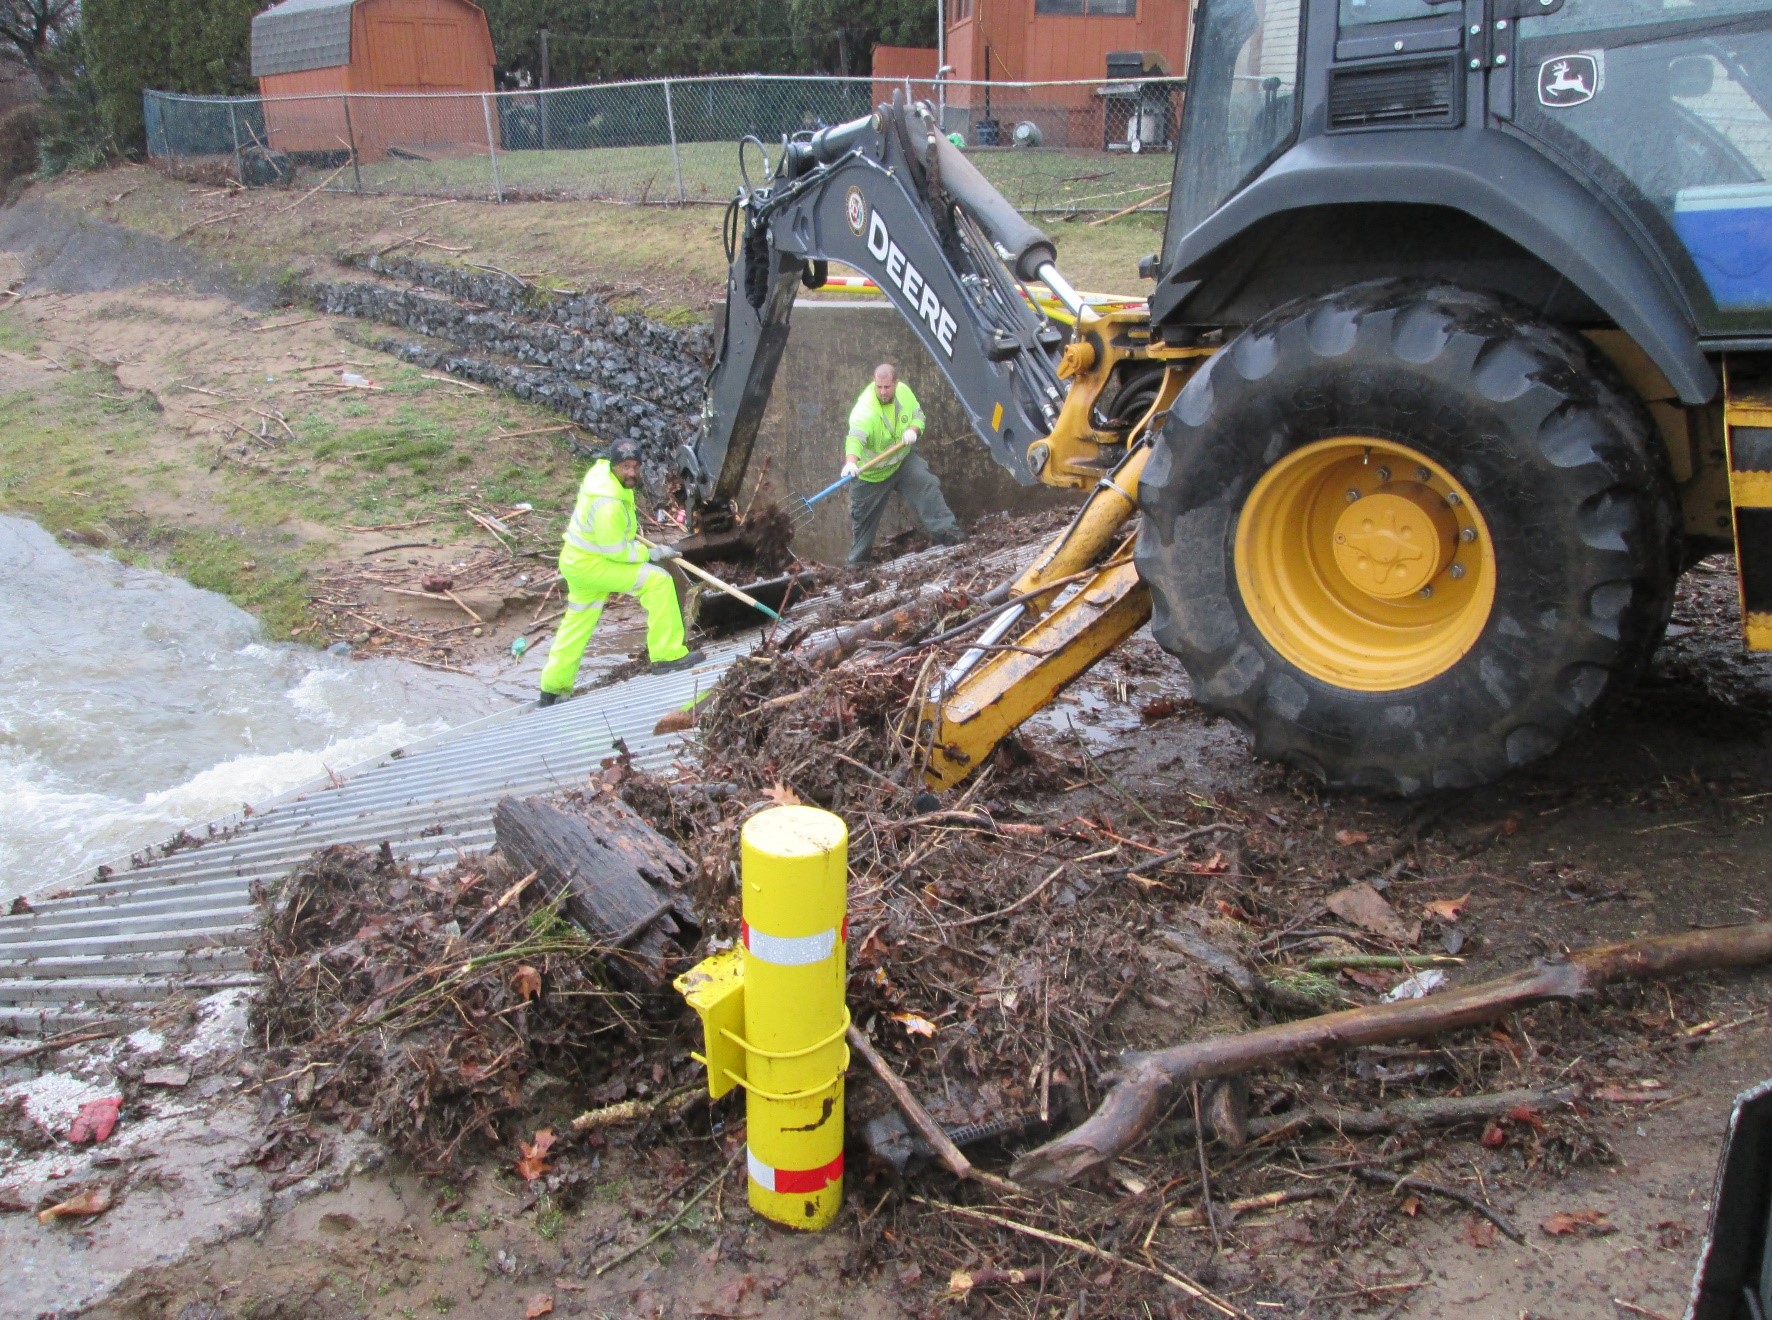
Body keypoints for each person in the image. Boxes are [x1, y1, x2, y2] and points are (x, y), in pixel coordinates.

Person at [537, 437, 704, 707]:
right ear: (614, 465)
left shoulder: (603, 477)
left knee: (578, 622)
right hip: (595, 564)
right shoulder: (608, 503)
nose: (631, 473)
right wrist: (651, 553)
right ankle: (667, 655)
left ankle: (553, 687)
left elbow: (611, 540)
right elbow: (616, 552)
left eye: (635, 466)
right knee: (658, 581)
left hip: (578, 562)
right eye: (625, 466)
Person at [844, 362, 965, 566]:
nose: (882, 392)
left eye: (887, 387)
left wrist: (914, 430)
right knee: (863, 522)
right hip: (871, 476)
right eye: (879, 387)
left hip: (902, 461)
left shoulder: (905, 393)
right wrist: (851, 462)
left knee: (927, 485)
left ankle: (949, 533)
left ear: (896, 383)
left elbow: (919, 416)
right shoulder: (864, 411)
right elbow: (854, 439)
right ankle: (857, 564)